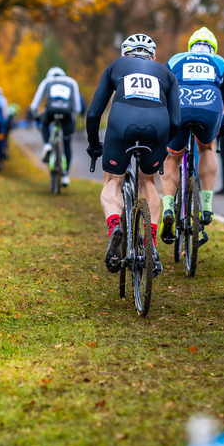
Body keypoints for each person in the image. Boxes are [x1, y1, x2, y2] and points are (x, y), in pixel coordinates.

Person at [86, 32, 179, 277]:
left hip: (121, 122)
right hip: (158, 125)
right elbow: (177, 121)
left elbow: (95, 113)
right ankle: (152, 248)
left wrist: (94, 144)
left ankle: (115, 225)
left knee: (112, 181)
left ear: (125, 54)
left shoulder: (116, 66)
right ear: (154, 57)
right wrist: (162, 146)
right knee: (148, 181)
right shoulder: (166, 73)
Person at [159, 27, 224, 243]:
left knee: (172, 158)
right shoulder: (220, 62)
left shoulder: (176, 59)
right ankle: (207, 207)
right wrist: (220, 127)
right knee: (206, 148)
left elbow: (161, 95)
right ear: (213, 47)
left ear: (190, 47)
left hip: (180, 109)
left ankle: (168, 209)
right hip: (209, 110)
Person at [30, 66, 83, 187]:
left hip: (50, 110)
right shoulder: (71, 82)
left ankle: (47, 145)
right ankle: (66, 176)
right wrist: (73, 116)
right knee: (67, 143)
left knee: (44, 124)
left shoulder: (47, 81)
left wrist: (36, 116)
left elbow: (34, 105)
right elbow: (78, 108)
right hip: (66, 112)